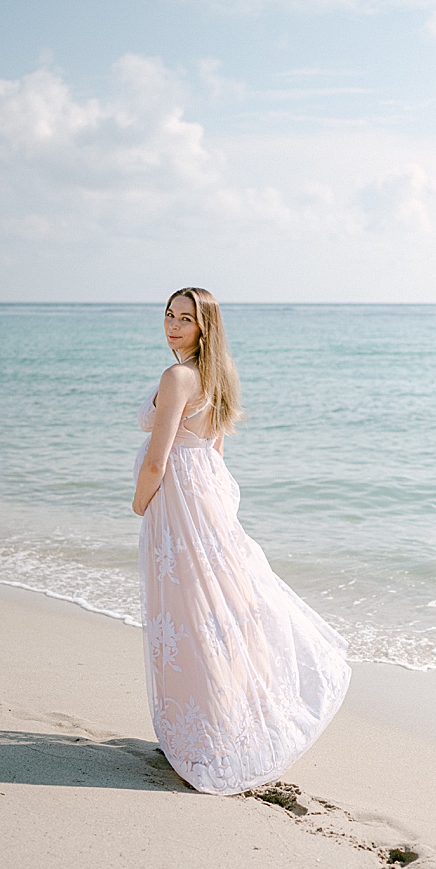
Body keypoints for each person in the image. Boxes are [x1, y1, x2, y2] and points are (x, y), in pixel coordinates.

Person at [133, 287, 351, 795]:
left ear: (204, 326)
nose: (172, 325)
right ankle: (224, 723)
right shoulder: (217, 376)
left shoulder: (178, 376)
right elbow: (216, 451)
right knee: (220, 612)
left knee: (189, 613)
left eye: (184, 318)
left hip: (178, 502)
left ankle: (205, 733)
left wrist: (141, 502)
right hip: (204, 497)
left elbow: (157, 459)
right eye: (168, 315)